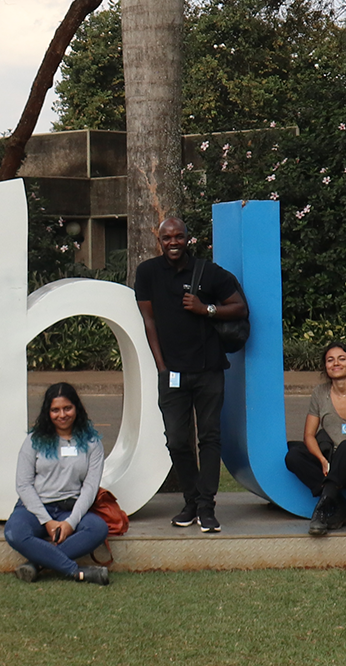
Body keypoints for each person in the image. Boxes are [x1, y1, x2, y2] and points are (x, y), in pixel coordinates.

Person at [135, 217, 247, 533]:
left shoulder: (208, 272)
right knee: (176, 439)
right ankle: (192, 499)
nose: (173, 242)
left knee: (209, 438)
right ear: (159, 240)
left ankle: (206, 508)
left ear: (188, 239)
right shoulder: (147, 273)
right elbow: (149, 322)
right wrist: (161, 367)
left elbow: (239, 307)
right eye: (167, 237)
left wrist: (206, 309)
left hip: (209, 370)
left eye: (179, 236)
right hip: (172, 373)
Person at [5, 383, 111, 585]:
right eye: (55, 410)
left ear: (77, 409)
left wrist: (70, 523)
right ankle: (76, 572)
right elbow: (24, 485)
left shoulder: (92, 443)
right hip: (34, 510)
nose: (62, 415)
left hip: (70, 509)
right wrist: (47, 521)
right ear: (48, 412)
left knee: (98, 528)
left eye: (67, 408)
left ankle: (36, 564)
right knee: (14, 532)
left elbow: (90, 488)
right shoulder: (34, 441)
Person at [283, 342, 346, 536]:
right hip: (331, 465)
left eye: (341, 359)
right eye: (330, 360)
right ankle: (339, 504)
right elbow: (309, 435)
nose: (335, 363)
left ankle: (323, 509)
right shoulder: (320, 393)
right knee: (293, 456)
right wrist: (322, 460)